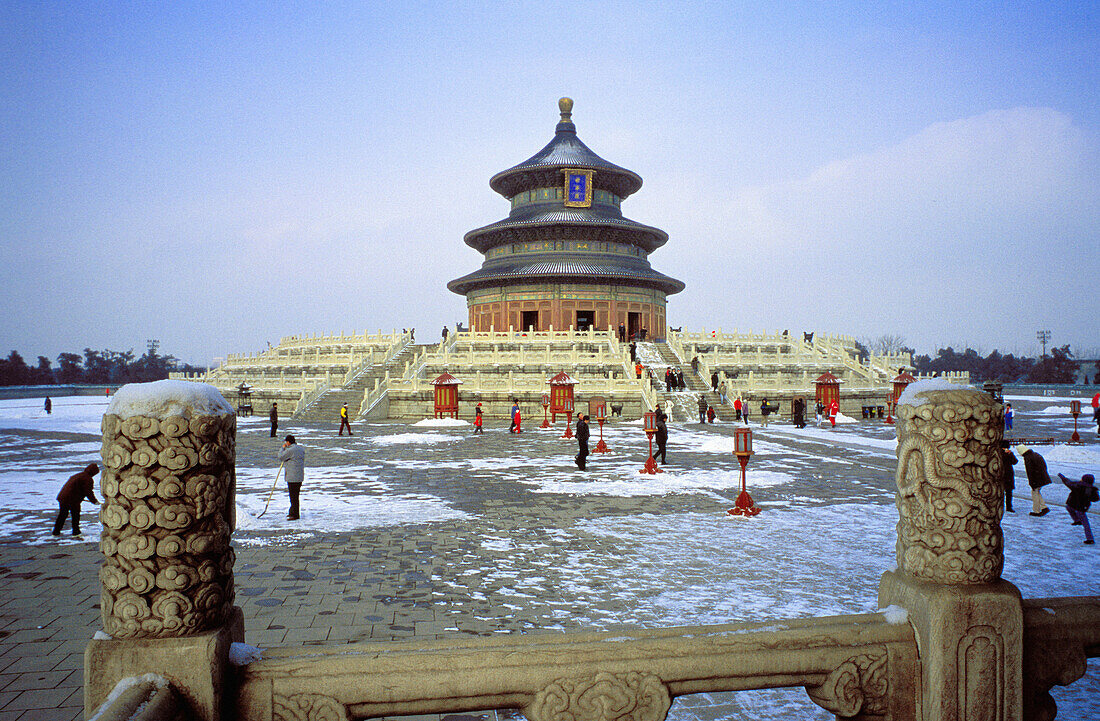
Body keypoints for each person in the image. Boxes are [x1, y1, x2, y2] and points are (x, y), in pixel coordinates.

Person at [52, 462, 99, 536]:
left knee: (62, 515)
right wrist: (95, 501)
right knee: (75, 515)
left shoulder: (79, 475)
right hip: (72, 499)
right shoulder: (87, 479)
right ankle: (76, 531)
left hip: (63, 497)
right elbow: (88, 492)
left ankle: (56, 531)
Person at [1058, 473, 1097, 544]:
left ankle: (1090, 539)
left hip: (1073, 504)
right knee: (1084, 521)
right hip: (1082, 507)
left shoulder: (1077, 485)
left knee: (1070, 509)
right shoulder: (1092, 489)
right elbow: (1096, 499)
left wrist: (1062, 477)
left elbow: (1068, 483)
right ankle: (1077, 521)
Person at [1016, 445, 1051, 516]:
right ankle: (1043, 507)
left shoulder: (1028, 458)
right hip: (1043, 477)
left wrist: (1032, 483)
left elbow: (1030, 471)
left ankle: (1037, 511)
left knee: (1035, 493)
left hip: (1036, 479)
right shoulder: (1036, 454)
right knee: (1037, 492)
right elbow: (1044, 466)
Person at [278, 435, 305, 520]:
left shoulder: (290, 450)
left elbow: (281, 457)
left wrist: (283, 448)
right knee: (295, 495)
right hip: (299, 475)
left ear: (288, 442)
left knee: (293, 496)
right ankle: (292, 512)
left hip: (292, 476)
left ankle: (295, 514)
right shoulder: (301, 449)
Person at [1000, 442, 1017, 513]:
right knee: (1006, 491)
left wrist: (1010, 455)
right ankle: (1008, 506)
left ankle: (1007, 506)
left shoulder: (1007, 453)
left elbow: (1015, 461)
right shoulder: (999, 453)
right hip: (1004, 474)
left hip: (1006, 474)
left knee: (1006, 491)